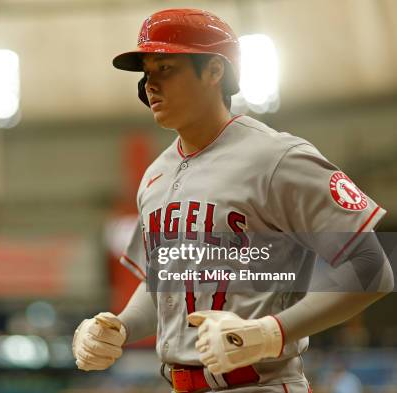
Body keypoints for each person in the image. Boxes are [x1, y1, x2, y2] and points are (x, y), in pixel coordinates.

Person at [71, 8, 394, 393]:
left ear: (214, 71)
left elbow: (371, 268)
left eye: (165, 68)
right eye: (146, 73)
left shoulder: (277, 157)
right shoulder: (155, 176)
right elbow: (163, 285)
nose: (149, 85)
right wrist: (118, 327)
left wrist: (269, 333)